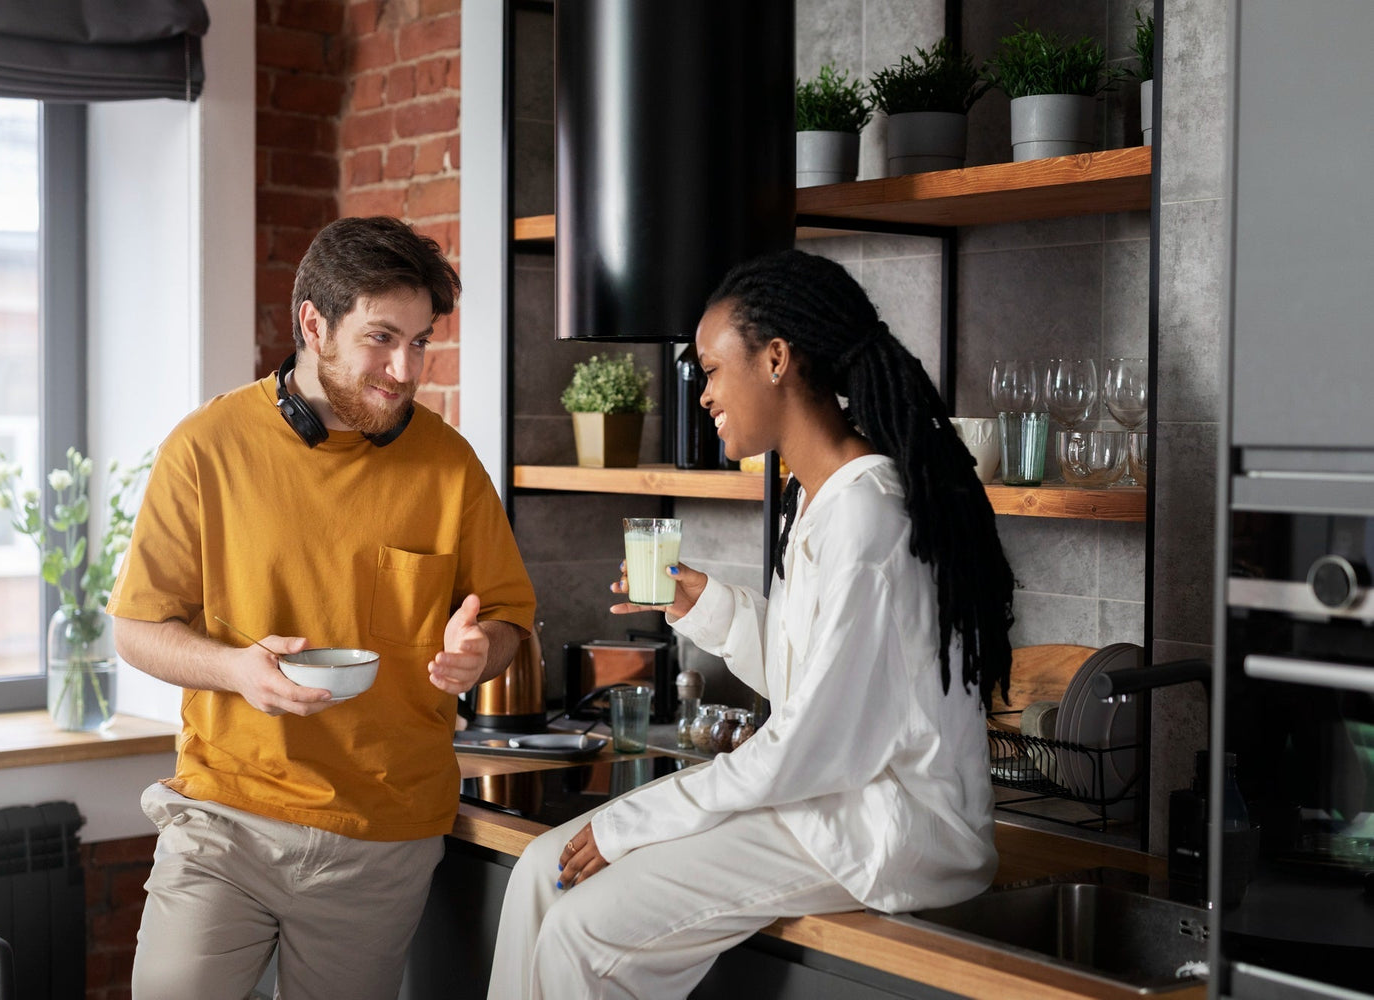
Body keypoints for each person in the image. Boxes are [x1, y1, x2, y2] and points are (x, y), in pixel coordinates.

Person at [489, 249, 1015, 999]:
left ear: (775, 359)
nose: (702, 393)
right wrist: (706, 605)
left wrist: (633, 821)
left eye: (709, 368)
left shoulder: (866, 516)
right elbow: (820, 687)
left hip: (885, 830)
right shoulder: (820, 501)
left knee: (585, 927)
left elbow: (811, 745)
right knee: (544, 868)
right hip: (828, 803)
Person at [109, 216, 536, 1000]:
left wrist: (485, 651)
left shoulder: (449, 464)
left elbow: (508, 617)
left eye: (421, 342)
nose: (405, 369)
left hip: (385, 842)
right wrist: (234, 669)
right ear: (314, 322)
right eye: (382, 339)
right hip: (225, 821)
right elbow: (136, 629)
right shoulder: (205, 448)